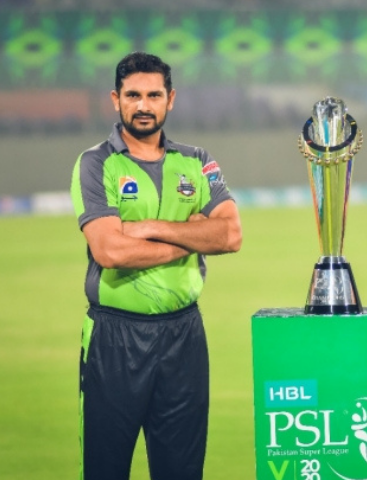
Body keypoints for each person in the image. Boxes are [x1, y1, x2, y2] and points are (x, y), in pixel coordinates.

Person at [70, 51, 242, 480]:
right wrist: (189, 237)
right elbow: (111, 252)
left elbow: (231, 235)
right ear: (116, 99)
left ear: (171, 99)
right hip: (115, 337)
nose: (143, 105)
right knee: (105, 470)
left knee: (182, 471)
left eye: (153, 95)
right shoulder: (96, 163)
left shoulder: (199, 160)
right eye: (133, 95)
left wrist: (147, 228)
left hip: (184, 337)